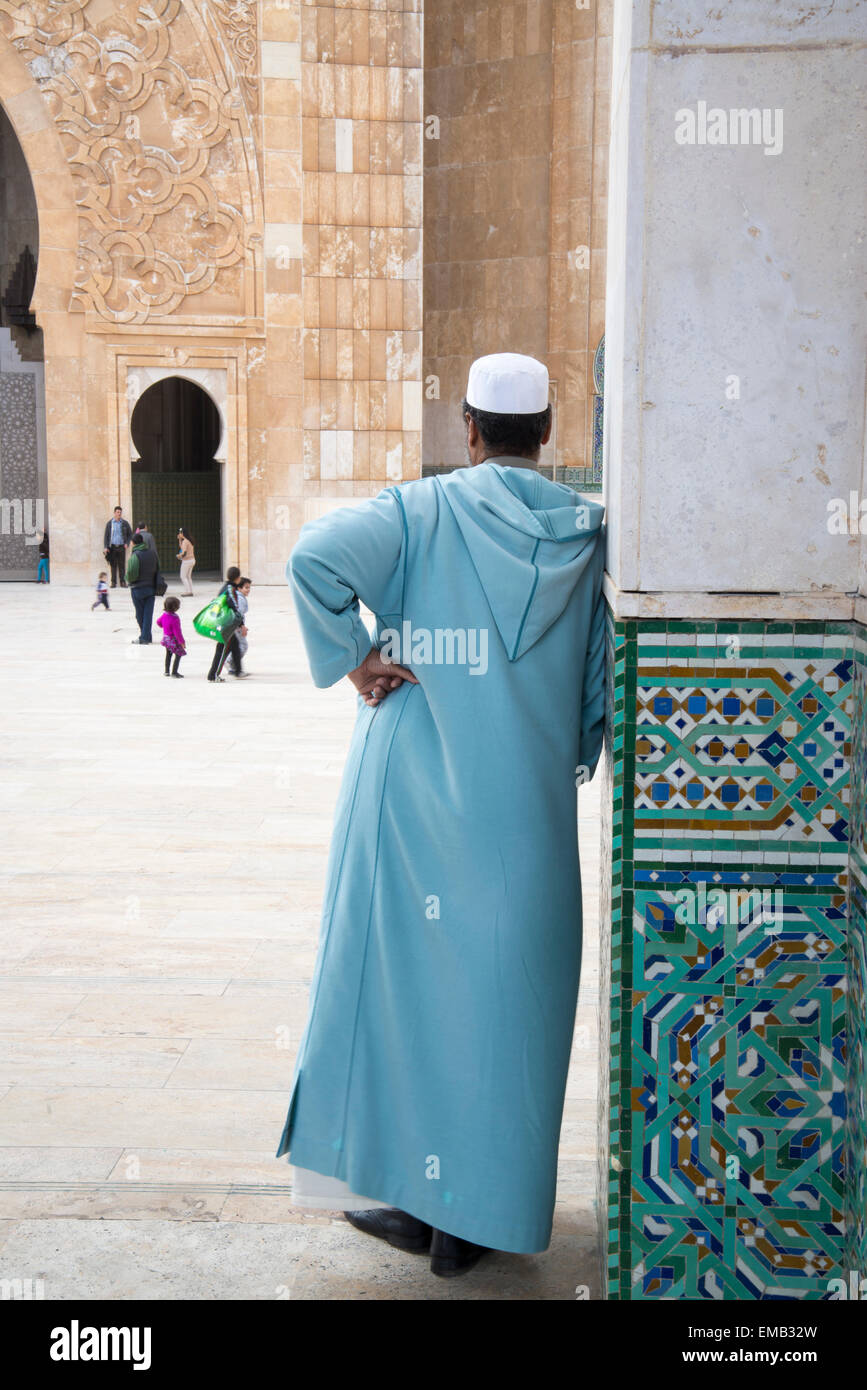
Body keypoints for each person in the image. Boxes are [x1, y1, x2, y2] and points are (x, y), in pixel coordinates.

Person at [275, 352, 607, 1279]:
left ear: (468, 427)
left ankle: (421, 1203)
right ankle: (470, 1220)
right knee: (507, 1009)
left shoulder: (418, 512)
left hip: (414, 802)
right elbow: (599, 682)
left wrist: (355, 655)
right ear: (545, 434)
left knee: (413, 997)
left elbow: (312, 558)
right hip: (528, 815)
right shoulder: (591, 538)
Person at [206, 567, 246, 681]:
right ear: (238, 578)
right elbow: (234, 606)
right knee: (222, 650)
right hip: (226, 624)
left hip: (224, 623)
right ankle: (213, 675)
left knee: (235, 646)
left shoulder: (225, 587)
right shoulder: (230, 589)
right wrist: (241, 623)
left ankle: (238, 671)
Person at [126, 531, 159, 644]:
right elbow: (157, 568)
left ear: (133, 543)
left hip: (138, 589)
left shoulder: (135, 555)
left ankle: (144, 637)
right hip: (151, 588)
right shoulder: (152, 553)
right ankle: (146, 637)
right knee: (148, 615)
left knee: (140, 614)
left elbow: (131, 573)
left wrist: (127, 578)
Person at [157, 595, 186, 677]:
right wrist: (182, 642)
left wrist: (164, 626)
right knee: (179, 654)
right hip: (173, 640)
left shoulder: (164, 615)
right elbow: (178, 632)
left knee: (168, 655)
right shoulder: (175, 618)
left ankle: (166, 671)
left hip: (166, 639)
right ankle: (174, 672)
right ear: (175, 607)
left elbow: (158, 622)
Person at [103, 507, 132, 588]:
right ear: (114, 513)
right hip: (112, 547)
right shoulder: (109, 523)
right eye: (118, 512)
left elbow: (130, 534)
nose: (119, 514)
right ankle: (113, 582)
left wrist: (127, 543)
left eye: (120, 512)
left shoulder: (125, 523)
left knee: (122, 565)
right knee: (113, 565)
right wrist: (106, 547)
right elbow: (106, 536)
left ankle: (123, 582)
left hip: (121, 547)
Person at [233, 577, 252, 676]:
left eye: (249, 587)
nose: (248, 590)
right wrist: (242, 626)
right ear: (239, 588)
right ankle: (231, 662)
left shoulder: (238, 597)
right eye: (246, 587)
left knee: (237, 646)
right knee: (243, 646)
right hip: (237, 627)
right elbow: (238, 614)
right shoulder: (240, 599)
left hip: (236, 626)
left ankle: (233, 665)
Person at [177, 528, 196, 595]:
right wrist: (179, 539)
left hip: (187, 561)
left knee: (183, 576)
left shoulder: (185, 541)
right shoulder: (189, 540)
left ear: (183, 534)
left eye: (180, 533)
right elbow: (182, 547)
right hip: (192, 560)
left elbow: (184, 552)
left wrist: (179, 556)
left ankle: (188, 592)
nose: (179, 534)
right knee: (188, 577)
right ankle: (190, 591)